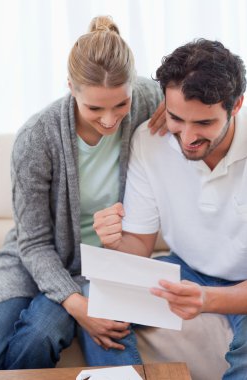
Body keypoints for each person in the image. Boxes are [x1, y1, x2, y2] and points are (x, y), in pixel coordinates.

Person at [0, 16, 165, 370]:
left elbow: (184, 92)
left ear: (132, 88)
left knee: (40, 333)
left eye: (121, 104)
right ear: (71, 87)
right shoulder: (37, 139)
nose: (109, 120)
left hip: (106, 264)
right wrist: (77, 304)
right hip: (38, 258)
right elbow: (34, 243)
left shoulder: (147, 97)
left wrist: (173, 113)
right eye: (94, 108)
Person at [94, 39, 247, 379]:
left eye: (204, 124)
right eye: (176, 118)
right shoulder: (150, 142)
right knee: (99, 302)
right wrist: (114, 241)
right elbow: (139, 248)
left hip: (242, 280)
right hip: (186, 267)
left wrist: (207, 299)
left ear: (235, 106)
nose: (188, 137)